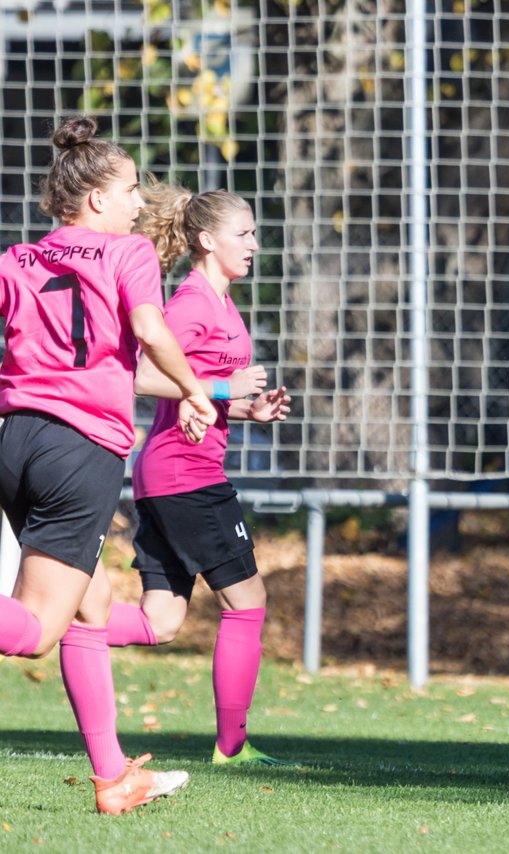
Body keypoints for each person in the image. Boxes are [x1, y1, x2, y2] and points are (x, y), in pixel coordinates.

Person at [0, 115, 216, 814]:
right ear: (96, 199)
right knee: (35, 632)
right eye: (127, 190)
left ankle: (114, 775)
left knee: (90, 608)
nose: (136, 203)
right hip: (79, 449)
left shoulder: (14, 261)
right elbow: (150, 332)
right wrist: (194, 390)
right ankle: (115, 774)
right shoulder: (127, 255)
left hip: (16, 440)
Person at [104, 180, 292, 767]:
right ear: (208, 240)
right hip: (186, 477)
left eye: (256, 232)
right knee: (248, 601)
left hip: (169, 474)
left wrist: (244, 408)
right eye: (244, 233)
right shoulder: (191, 303)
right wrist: (219, 387)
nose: (255, 244)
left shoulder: (221, 300)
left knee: (160, 622)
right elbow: (137, 375)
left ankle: (37, 617)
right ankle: (232, 748)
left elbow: (192, 395)